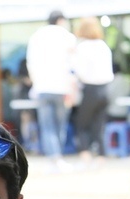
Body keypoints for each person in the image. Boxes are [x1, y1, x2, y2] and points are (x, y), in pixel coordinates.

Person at [26, 9, 77, 170]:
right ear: (61, 20)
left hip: (42, 88)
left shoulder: (36, 37)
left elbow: (30, 63)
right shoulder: (67, 37)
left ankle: (53, 159)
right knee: (60, 125)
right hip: (63, 88)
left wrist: (36, 82)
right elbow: (73, 64)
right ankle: (58, 158)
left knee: (47, 125)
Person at [71, 16, 113, 165]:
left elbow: (79, 71)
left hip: (89, 90)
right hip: (105, 89)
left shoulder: (82, 47)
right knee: (99, 124)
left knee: (82, 124)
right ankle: (102, 157)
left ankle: (85, 156)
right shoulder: (103, 46)